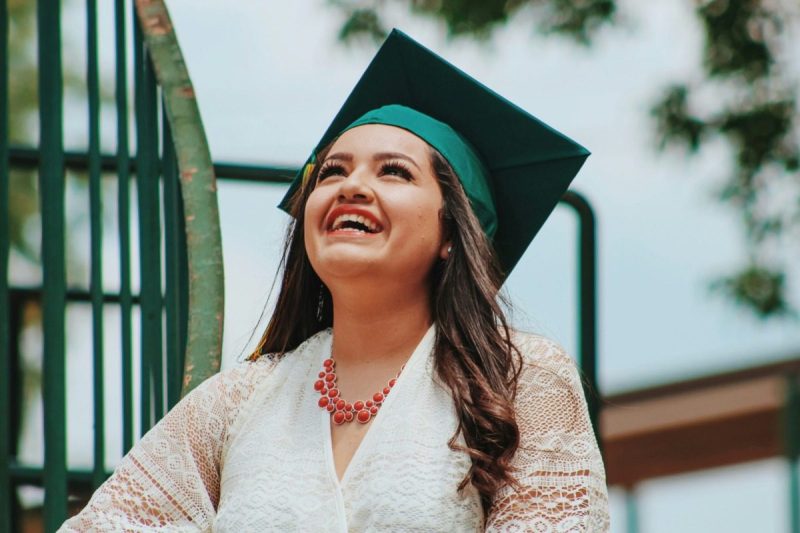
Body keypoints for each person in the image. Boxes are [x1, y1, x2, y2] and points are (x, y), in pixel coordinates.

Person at [61, 30, 609, 532]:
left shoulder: (519, 381)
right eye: (332, 171)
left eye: (393, 171)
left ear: (452, 232)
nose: (352, 186)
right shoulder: (237, 402)